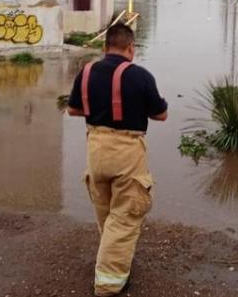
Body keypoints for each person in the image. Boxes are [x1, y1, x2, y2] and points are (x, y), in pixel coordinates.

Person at [67, 24, 168, 296]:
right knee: (124, 217)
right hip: (126, 152)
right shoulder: (140, 76)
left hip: (96, 149)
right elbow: (161, 115)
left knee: (106, 212)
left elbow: (73, 109)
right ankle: (108, 285)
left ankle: (113, 263)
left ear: (105, 47)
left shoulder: (86, 72)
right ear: (131, 48)